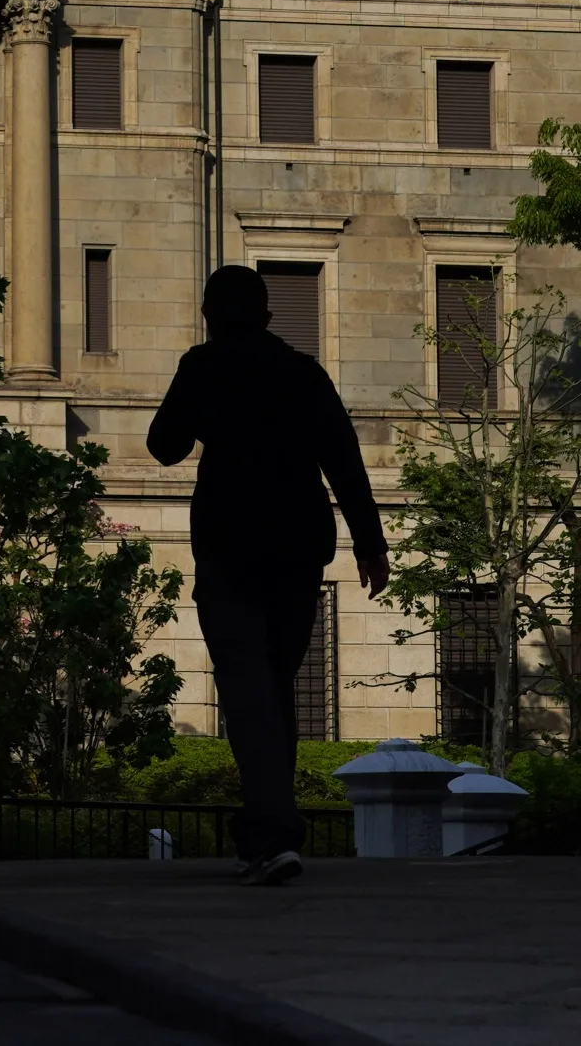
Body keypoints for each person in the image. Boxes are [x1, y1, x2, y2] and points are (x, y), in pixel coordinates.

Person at [148, 265, 389, 886]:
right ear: (268, 315)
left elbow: (164, 445)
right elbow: (344, 458)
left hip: (230, 546)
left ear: (209, 313)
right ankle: (272, 834)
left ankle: (272, 834)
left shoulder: (202, 367)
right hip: (295, 548)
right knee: (275, 689)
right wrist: (370, 544)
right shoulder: (302, 373)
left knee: (250, 691)